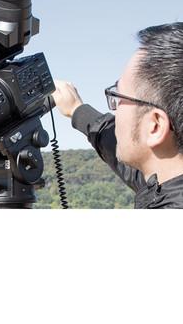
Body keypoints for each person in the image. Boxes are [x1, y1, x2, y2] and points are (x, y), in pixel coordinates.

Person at [51, 22, 183, 208]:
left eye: (118, 97)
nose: (115, 110)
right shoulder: (165, 184)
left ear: (155, 126)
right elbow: (115, 147)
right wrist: (77, 110)